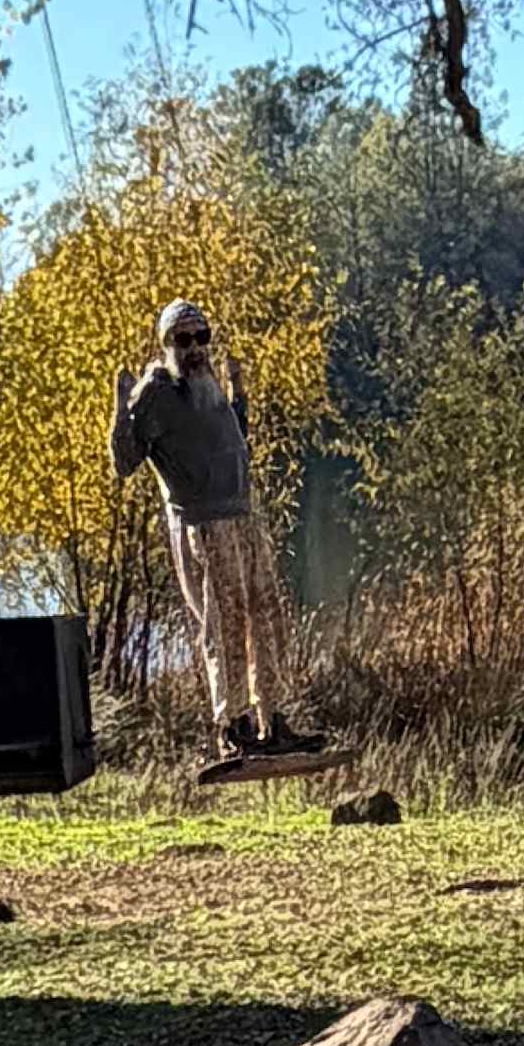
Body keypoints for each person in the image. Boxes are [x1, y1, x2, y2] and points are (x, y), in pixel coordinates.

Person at [112, 300, 317, 757]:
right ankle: (234, 727)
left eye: (201, 337)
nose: (195, 349)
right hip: (204, 525)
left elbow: (229, 439)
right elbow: (126, 462)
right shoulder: (158, 392)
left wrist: (238, 391)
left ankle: (275, 721)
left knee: (266, 616)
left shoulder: (206, 386)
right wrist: (119, 403)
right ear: (166, 345)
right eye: (183, 340)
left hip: (244, 518)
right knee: (224, 624)